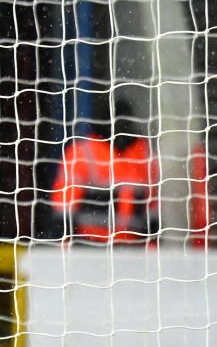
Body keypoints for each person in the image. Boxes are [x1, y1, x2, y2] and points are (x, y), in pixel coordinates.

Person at [51, 98, 159, 243]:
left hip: (133, 248)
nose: (120, 126)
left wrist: (151, 248)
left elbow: (153, 213)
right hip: (89, 244)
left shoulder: (146, 154)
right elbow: (63, 212)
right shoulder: (82, 153)